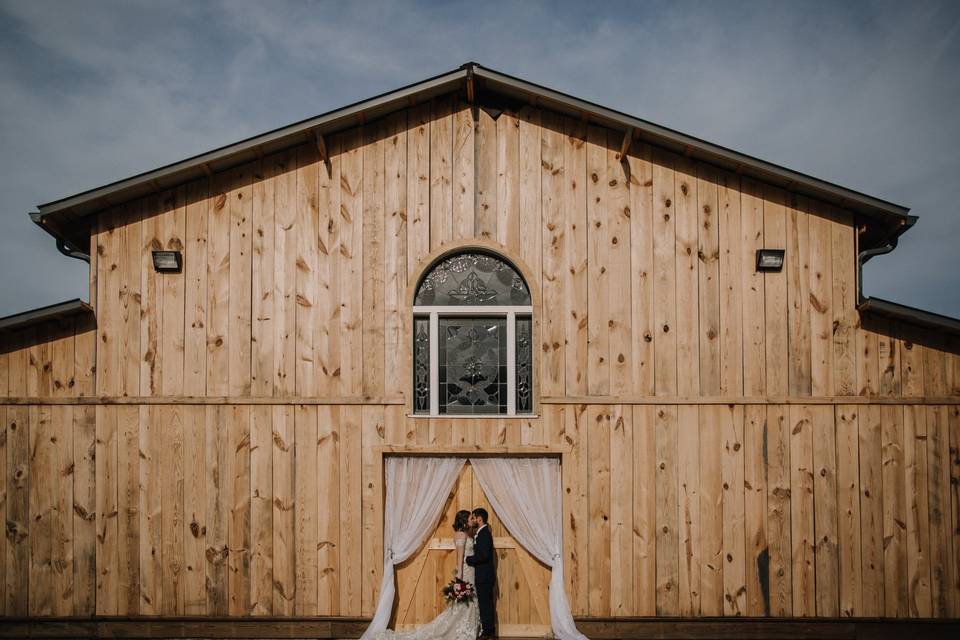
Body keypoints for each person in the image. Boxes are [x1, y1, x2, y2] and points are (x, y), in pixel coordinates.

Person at [367, 510, 479, 640]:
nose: (473, 520)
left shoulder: (463, 534)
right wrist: (459, 579)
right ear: (465, 520)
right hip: (465, 572)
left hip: (470, 571)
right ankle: (461, 630)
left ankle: (466, 627)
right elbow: (459, 558)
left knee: (468, 603)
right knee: (465, 602)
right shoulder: (461, 535)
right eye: (471, 518)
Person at [464, 508, 496, 638]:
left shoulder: (484, 534)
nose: (473, 520)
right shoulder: (480, 533)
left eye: (474, 517)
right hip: (482, 576)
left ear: (480, 518)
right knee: (484, 604)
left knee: (485, 605)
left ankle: (489, 632)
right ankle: (487, 630)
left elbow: (483, 556)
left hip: (484, 576)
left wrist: (468, 559)